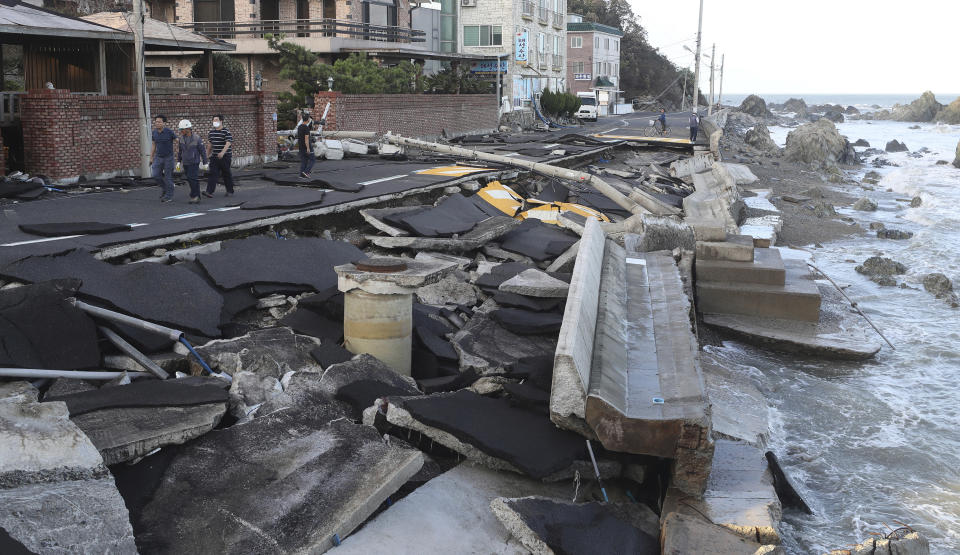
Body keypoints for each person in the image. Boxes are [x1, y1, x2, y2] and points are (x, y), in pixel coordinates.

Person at [176, 119, 208, 204]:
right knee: (191, 179)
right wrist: (178, 162)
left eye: (182, 129)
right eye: (180, 129)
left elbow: (203, 151)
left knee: (192, 179)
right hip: (186, 162)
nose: (181, 131)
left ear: (188, 129)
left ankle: (194, 196)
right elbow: (180, 151)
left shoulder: (197, 138)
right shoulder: (181, 139)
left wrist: (205, 162)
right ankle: (197, 195)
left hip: (194, 162)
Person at [204, 114, 236, 198]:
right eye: (213, 120)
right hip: (215, 156)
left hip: (225, 156)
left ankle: (230, 191)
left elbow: (228, 142)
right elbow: (210, 144)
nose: (215, 122)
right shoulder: (211, 132)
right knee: (212, 173)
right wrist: (206, 155)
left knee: (226, 173)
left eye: (216, 120)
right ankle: (209, 191)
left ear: (221, 121)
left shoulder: (226, 131)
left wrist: (222, 153)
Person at [150, 115, 177, 203]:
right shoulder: (154, 133)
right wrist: (151, 158)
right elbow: (154, 145)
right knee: (156, 175)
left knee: (167, 177)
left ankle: (169, 196)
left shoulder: (169, 132)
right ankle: (165, 189)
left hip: (168, 158)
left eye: (159, 122)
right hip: (158, 157)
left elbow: (177, 140)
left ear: (164, 123)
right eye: (156, 122)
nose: (157, 123)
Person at [297, 111, 315, 178]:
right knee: (313, 159)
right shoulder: (306, 128)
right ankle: (306, 172)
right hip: (306, 146)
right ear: (308, 120)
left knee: (304, 160)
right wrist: (308, 148)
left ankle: (301, 175)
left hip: (301, 146)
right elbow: (306, 139)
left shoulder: (299, 127)